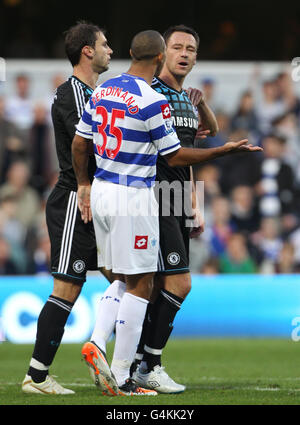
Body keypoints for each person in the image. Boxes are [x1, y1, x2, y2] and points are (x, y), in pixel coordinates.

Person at [72, 29, 262, 397]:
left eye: (192, 48)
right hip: (149, 196)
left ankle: (111, 348)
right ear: (161, 55)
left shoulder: (179, 98)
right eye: (177, 47)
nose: (184, 54)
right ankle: (145, 365)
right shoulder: (152, 95)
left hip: (165, 195)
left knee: (136, 280)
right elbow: (173, 154)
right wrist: (223, 152)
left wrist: (195, 202)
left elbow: (193, 142)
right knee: (163, 283)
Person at [21, 21, 114, 395]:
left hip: (98, 197)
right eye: (104, 44)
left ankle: (113, 359)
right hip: (77, 198)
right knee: (67, 288)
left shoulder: (97, 91)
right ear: (87, 51)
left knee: (125, 278)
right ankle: (37, 377)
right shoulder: (73, 94)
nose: (110, 49)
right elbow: (86, 145)